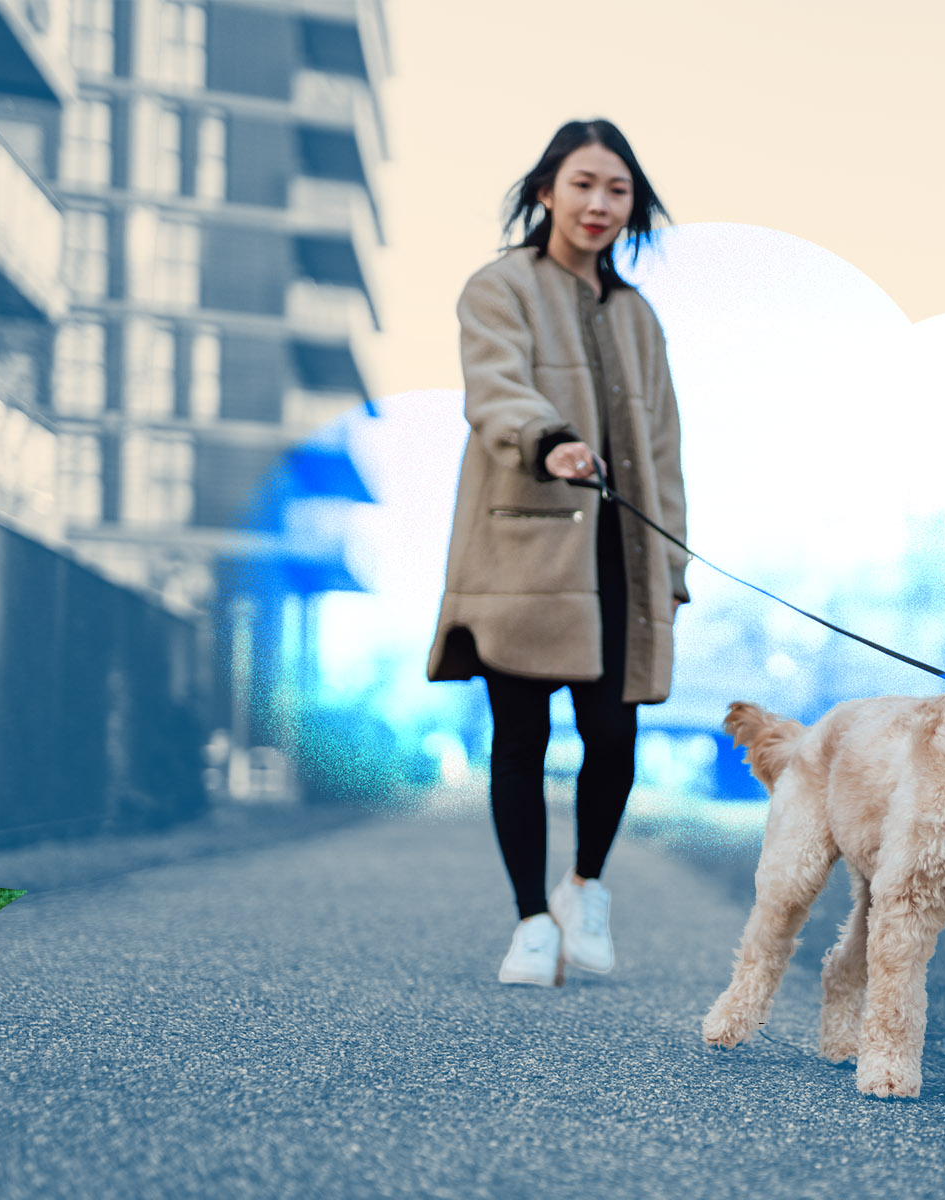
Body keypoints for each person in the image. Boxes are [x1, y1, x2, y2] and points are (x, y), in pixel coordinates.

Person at [425, 119, 689, 987]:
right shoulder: (499, 287)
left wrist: (673, 559)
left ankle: (584, 886)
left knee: (614, 736)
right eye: (583, 184)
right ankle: (530, 921)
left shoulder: (638, 317)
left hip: (619, 555)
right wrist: (551, 441)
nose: (599, 204)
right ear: (546, 191)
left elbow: (665, 449)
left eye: (617, 190)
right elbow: (494, 389)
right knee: (521, 737)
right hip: (524, 550)